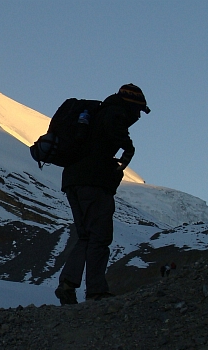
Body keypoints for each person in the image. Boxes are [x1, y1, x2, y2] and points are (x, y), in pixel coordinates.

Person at [55, 84, 150, 304]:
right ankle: (96, 290)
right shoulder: (114, 113)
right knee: (99, 236)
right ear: (132, 105)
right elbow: (114, 131)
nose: (137, 117)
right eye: (137, 111)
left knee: (84, 236)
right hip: (94, 183)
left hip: (72, 181)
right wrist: (128, 147)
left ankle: (68, 284)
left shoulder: (94, 114)